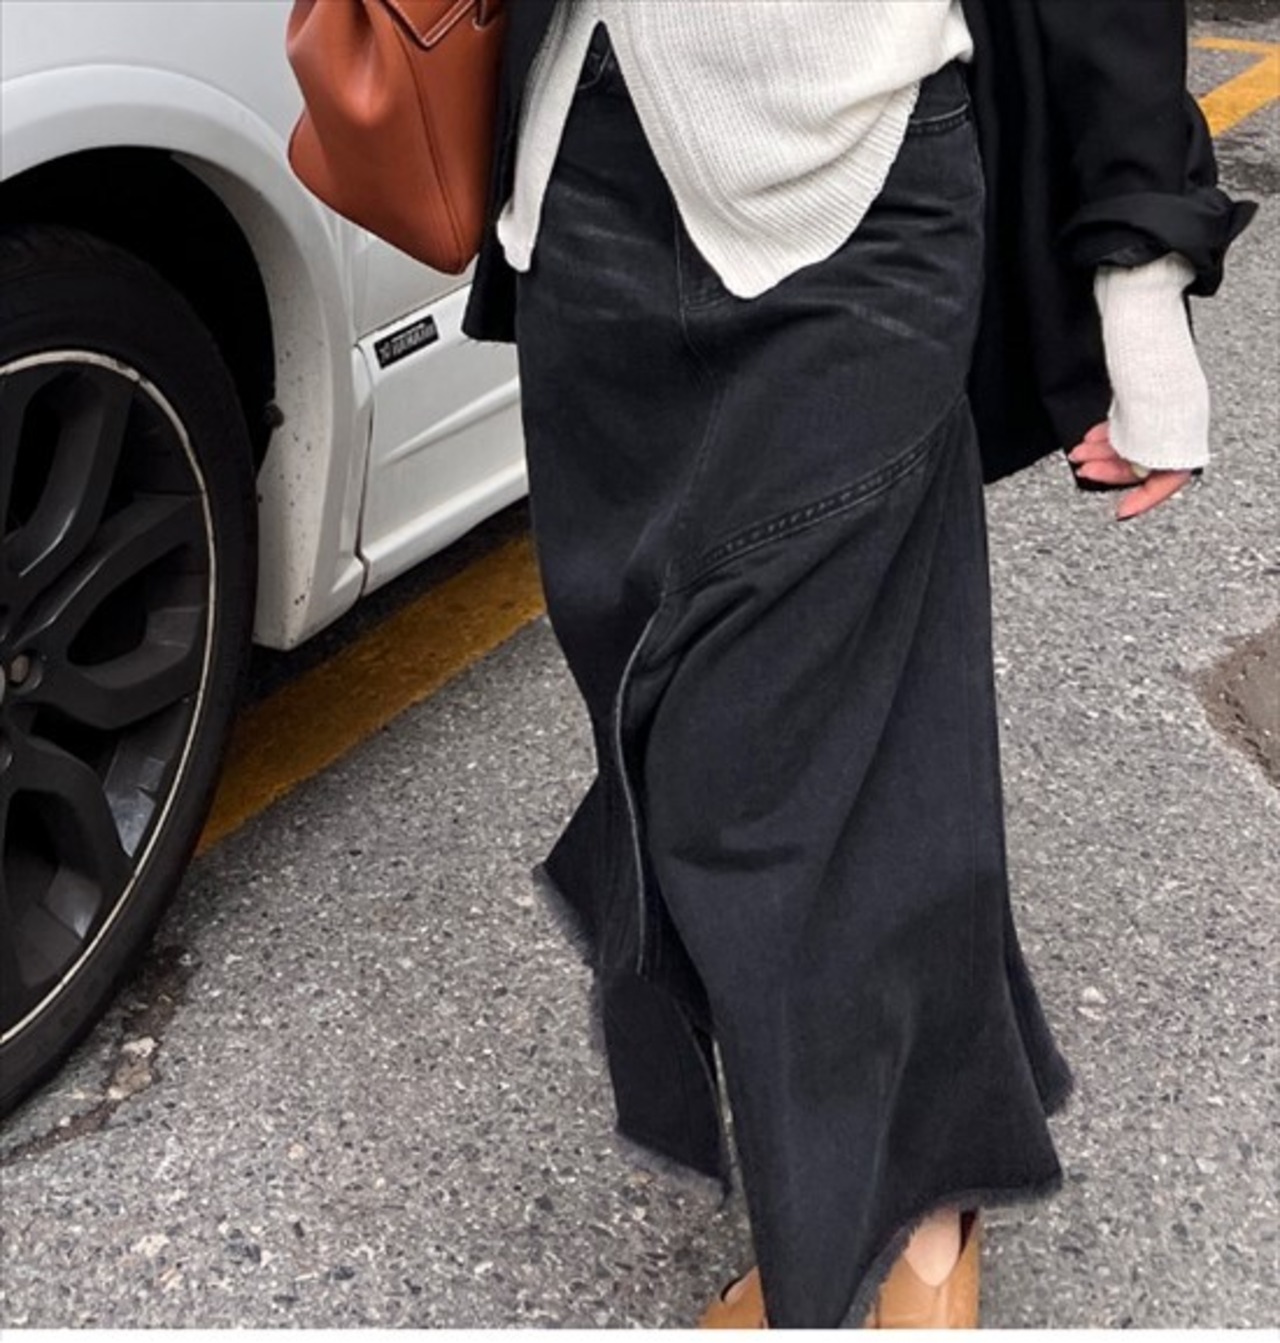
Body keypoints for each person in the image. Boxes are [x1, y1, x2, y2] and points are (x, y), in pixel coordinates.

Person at [462, 0, 1253, 1328]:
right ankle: (923, 1161)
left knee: (764, 776)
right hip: (580, 182)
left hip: (858, 177)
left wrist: (1141, 273)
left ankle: (893, 1243)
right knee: (734, 729)